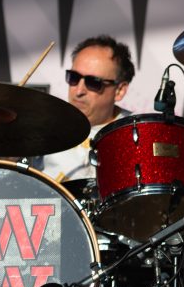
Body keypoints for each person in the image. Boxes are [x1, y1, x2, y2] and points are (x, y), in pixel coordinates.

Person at [41, 34, 134, 181]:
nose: (79, 91)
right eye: (74, 77)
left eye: (93, 82)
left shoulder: (138, 135)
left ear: (119, 90)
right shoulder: (43, 125)